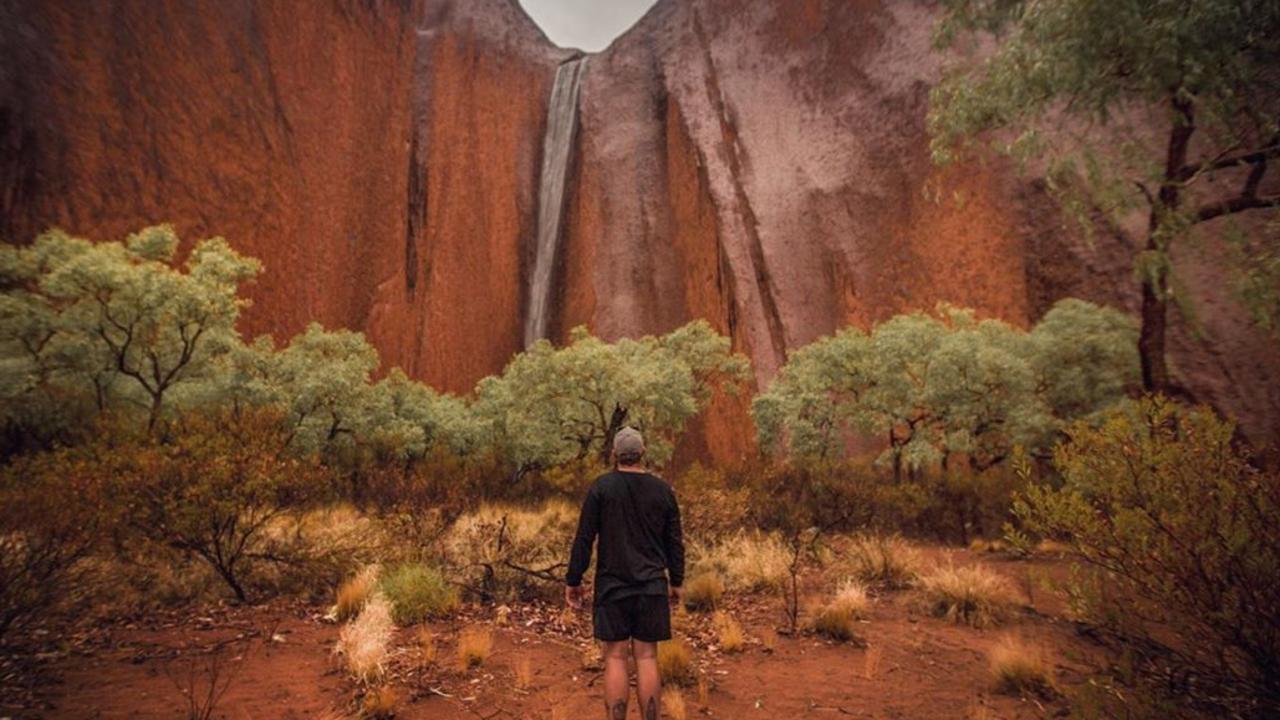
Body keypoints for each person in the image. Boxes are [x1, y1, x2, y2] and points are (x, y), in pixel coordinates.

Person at [565, 427, 685, 720]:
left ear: (614, 455)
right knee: (647, 657)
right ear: (643, 453)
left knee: (615, 657)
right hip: (652, 586)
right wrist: (677, 581)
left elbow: (584, 538)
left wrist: (574, 579)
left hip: (612, 587)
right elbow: (674, 541)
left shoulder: (601, 488)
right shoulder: (663, 491)